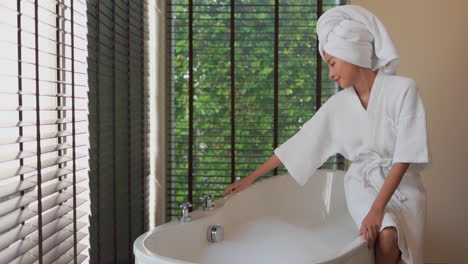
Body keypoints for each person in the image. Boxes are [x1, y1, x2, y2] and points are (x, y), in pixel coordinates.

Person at [222, 4, 432, 264]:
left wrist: (378, 209)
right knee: (387, 235)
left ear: (353, 52)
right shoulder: (338, 105)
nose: (331, 73)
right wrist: (251, 177)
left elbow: (405, 154)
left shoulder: (403, 90)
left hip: (403, 188)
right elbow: (302, 142)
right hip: (363, 185)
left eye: (332, 63)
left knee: (396, 243)